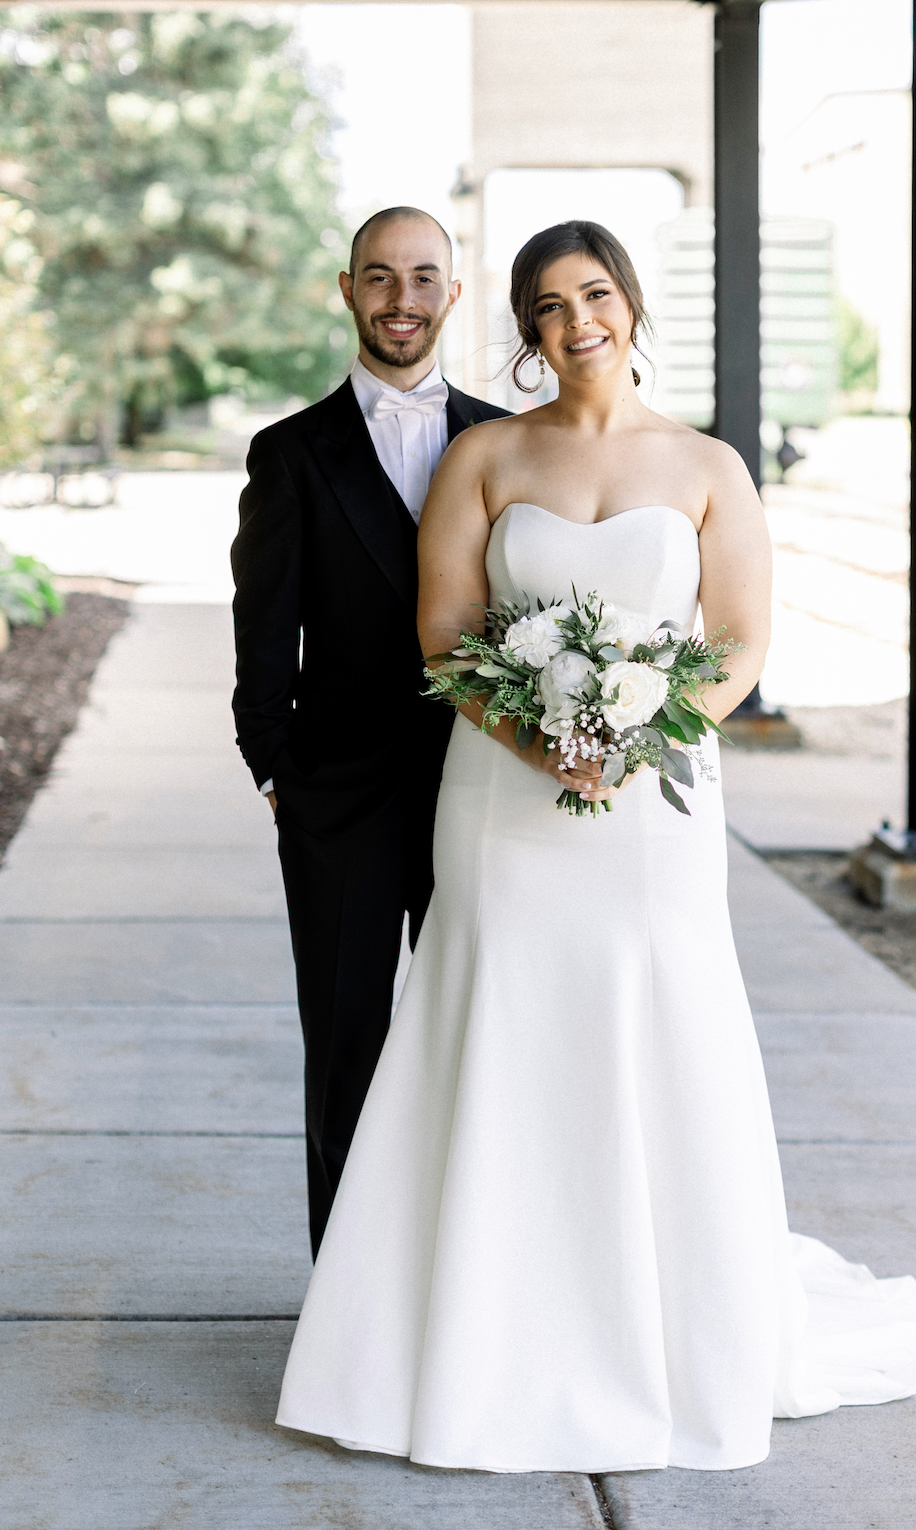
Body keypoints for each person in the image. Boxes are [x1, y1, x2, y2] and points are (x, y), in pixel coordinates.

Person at [274, 221, 916, 1472]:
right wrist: (534, 739)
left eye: (596, 295)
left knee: (655, 1025)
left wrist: (637, 731)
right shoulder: (483, 456)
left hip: (653, 809)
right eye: (549, 305)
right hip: (500, 804)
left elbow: (734, 640)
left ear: (630, 306)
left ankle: (669, 1331)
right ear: (523, 328)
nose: (577, 323)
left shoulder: (710, 466)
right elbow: (449, 626)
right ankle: (475, 1329)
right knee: (497, 1024)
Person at [231, 207, 509, 1256]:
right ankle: (348, 1300)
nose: (402, 298)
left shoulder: (500, 441)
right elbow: (262, 628)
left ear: (452, 292)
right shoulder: (290, 454)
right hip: (337, 800)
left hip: (484, 789)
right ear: (345, 289)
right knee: (347, 1045)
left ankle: (463, 1280)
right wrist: (277, 771)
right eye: (380, 277)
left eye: (424, 277)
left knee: (473, 1040)